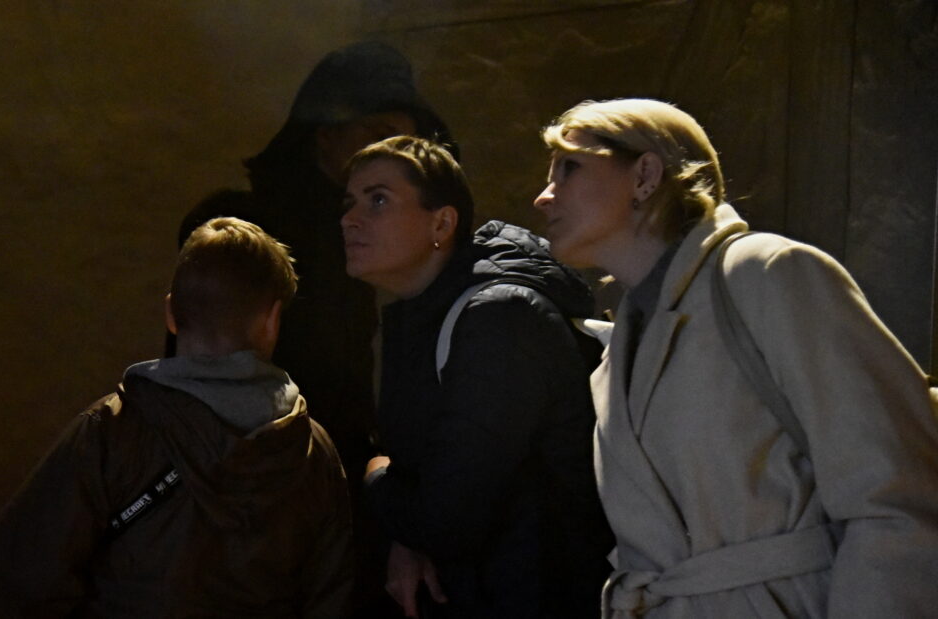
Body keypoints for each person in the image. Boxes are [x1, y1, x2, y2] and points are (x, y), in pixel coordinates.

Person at [533, 98, 938, 617]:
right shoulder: (620, 350)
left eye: (569, 168)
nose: (543, 196)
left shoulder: (766, 273)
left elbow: (897, 496)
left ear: (645, 176)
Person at [0, 217, 352, 618]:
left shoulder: (112, 429)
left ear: (171, 314)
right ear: (272, 321)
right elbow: (331, 595)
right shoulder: (311, 450)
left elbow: (24, 575)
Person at [341, 135, 615, 618]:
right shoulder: (428, 315)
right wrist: (407, 536)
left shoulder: (499, 319)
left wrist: (374, 473)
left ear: (441, 223)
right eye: (350, 203)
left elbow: (446, 519)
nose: (350, 219)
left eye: (378, 200)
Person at [176, 42, 454, 503]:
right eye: (379, 133)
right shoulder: (246, 228)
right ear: (326, 134)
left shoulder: (362, 237)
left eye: (403, 144)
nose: (391, 155)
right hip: (247, 481)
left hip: (331, 476)